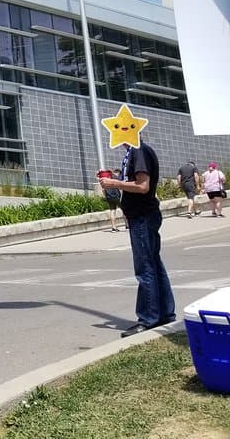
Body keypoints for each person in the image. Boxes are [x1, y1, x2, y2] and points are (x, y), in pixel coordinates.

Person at [98, 141, 176, 337]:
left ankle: (148, 318)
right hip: (144, 215)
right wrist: (117, 178)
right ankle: (165, 313)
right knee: (154, 264)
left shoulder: (139, 151)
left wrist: (114, 183)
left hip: (142, 216)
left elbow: (142, 186)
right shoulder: (137, 151)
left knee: (145, 267)